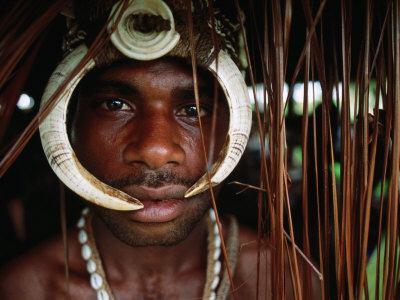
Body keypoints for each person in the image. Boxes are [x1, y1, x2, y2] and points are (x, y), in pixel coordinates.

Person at [0, 0, 321, 299]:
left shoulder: (286, 281)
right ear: (69, 123)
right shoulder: (24, 289)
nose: (155, 150)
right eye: (114, 105)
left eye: (194, 109)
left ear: (234, 124)